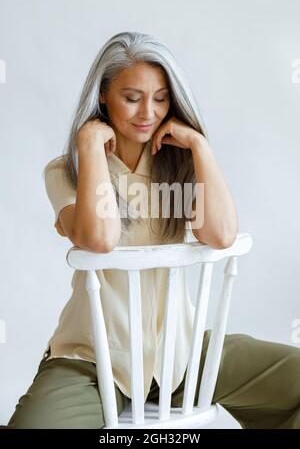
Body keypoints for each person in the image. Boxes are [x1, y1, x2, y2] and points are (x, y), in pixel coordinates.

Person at [6, 31, 300, 429]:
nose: (149, 112)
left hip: (181, 355)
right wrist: (89, 143)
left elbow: (222, 234)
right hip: (93, 360)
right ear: (104, 96)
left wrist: (200, 146)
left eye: (161, 98)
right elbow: (99, 239)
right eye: (132, 97)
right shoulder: (66, 172)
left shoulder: (177, 165)